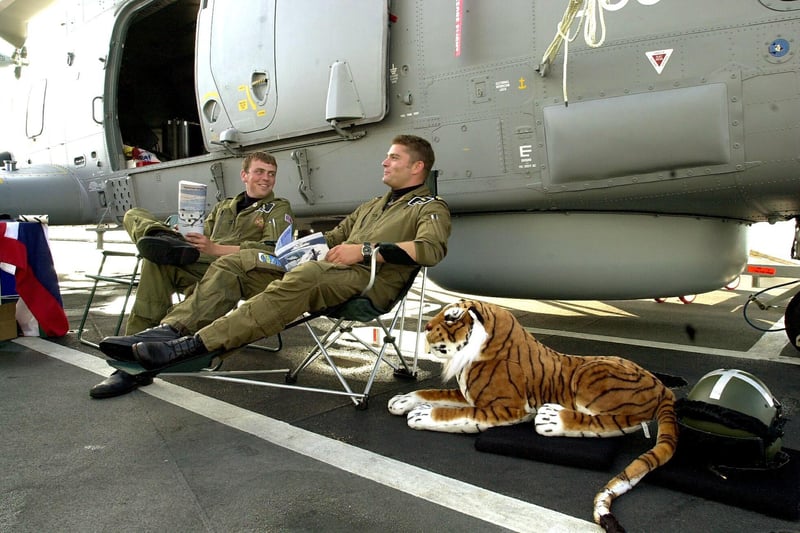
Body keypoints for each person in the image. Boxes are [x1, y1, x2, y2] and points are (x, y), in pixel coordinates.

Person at [100, 134, 451, 373]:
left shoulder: (430, 207)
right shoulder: (372, 206)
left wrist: (363, 251)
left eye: (393, 157)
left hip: (367, 283)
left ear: (417, 167)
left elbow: (430, 250)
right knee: (236, 264)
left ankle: (195, 347)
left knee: (305, 275)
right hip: (325, 273)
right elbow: (333, 238)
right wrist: (298, 247)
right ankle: (170, 331)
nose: (385, 163)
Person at [90, 151, 293, 398]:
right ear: (244, 175)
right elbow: (203, 236)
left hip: (241, 270)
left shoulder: (278, 207)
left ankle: (135, 363)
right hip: (204, 264)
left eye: (271, 174)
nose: (266, 179)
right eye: (259, 172)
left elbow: (273, 250)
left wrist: (216, 249)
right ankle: (157, 235)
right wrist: (185, 234)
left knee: (171, 261)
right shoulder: (223, 207)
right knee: (141, 228)